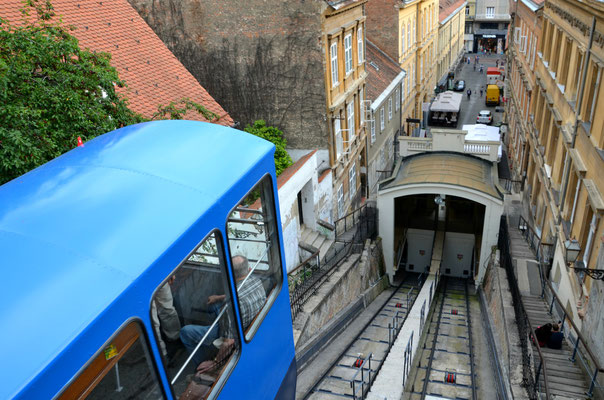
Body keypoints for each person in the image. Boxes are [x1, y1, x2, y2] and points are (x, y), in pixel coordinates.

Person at [180, 255, 267, 369]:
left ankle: (202, 363)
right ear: (249, 269)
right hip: (247, 319)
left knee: (185, 332)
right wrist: (218, 297)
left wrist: (216, 362)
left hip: (234, 331)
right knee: (214, 306)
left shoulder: (230, 306)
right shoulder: (256, 281)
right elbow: (239, 292)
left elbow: (229, 342)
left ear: (230, 275)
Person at [151, 277, 181, 359]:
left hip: (157, 273)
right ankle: (162, 353)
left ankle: (175, 338)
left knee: (168, 309)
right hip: (137, 282)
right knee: (152, 322)